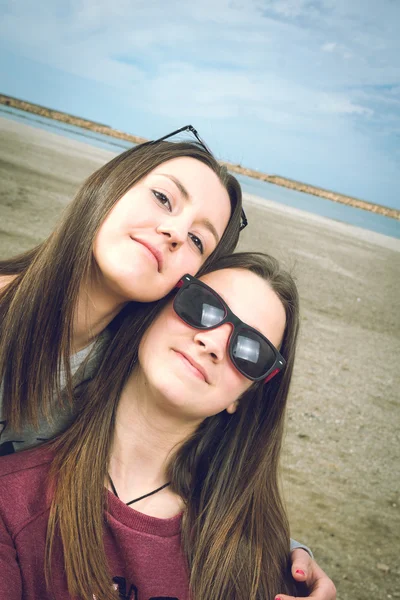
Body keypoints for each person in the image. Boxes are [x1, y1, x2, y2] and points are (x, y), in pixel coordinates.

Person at [0, 128, 335, 598]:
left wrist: (284, 560)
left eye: (199, 240)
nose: (176, 231)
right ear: (109, 185)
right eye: (162, 197)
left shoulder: (125, 361)